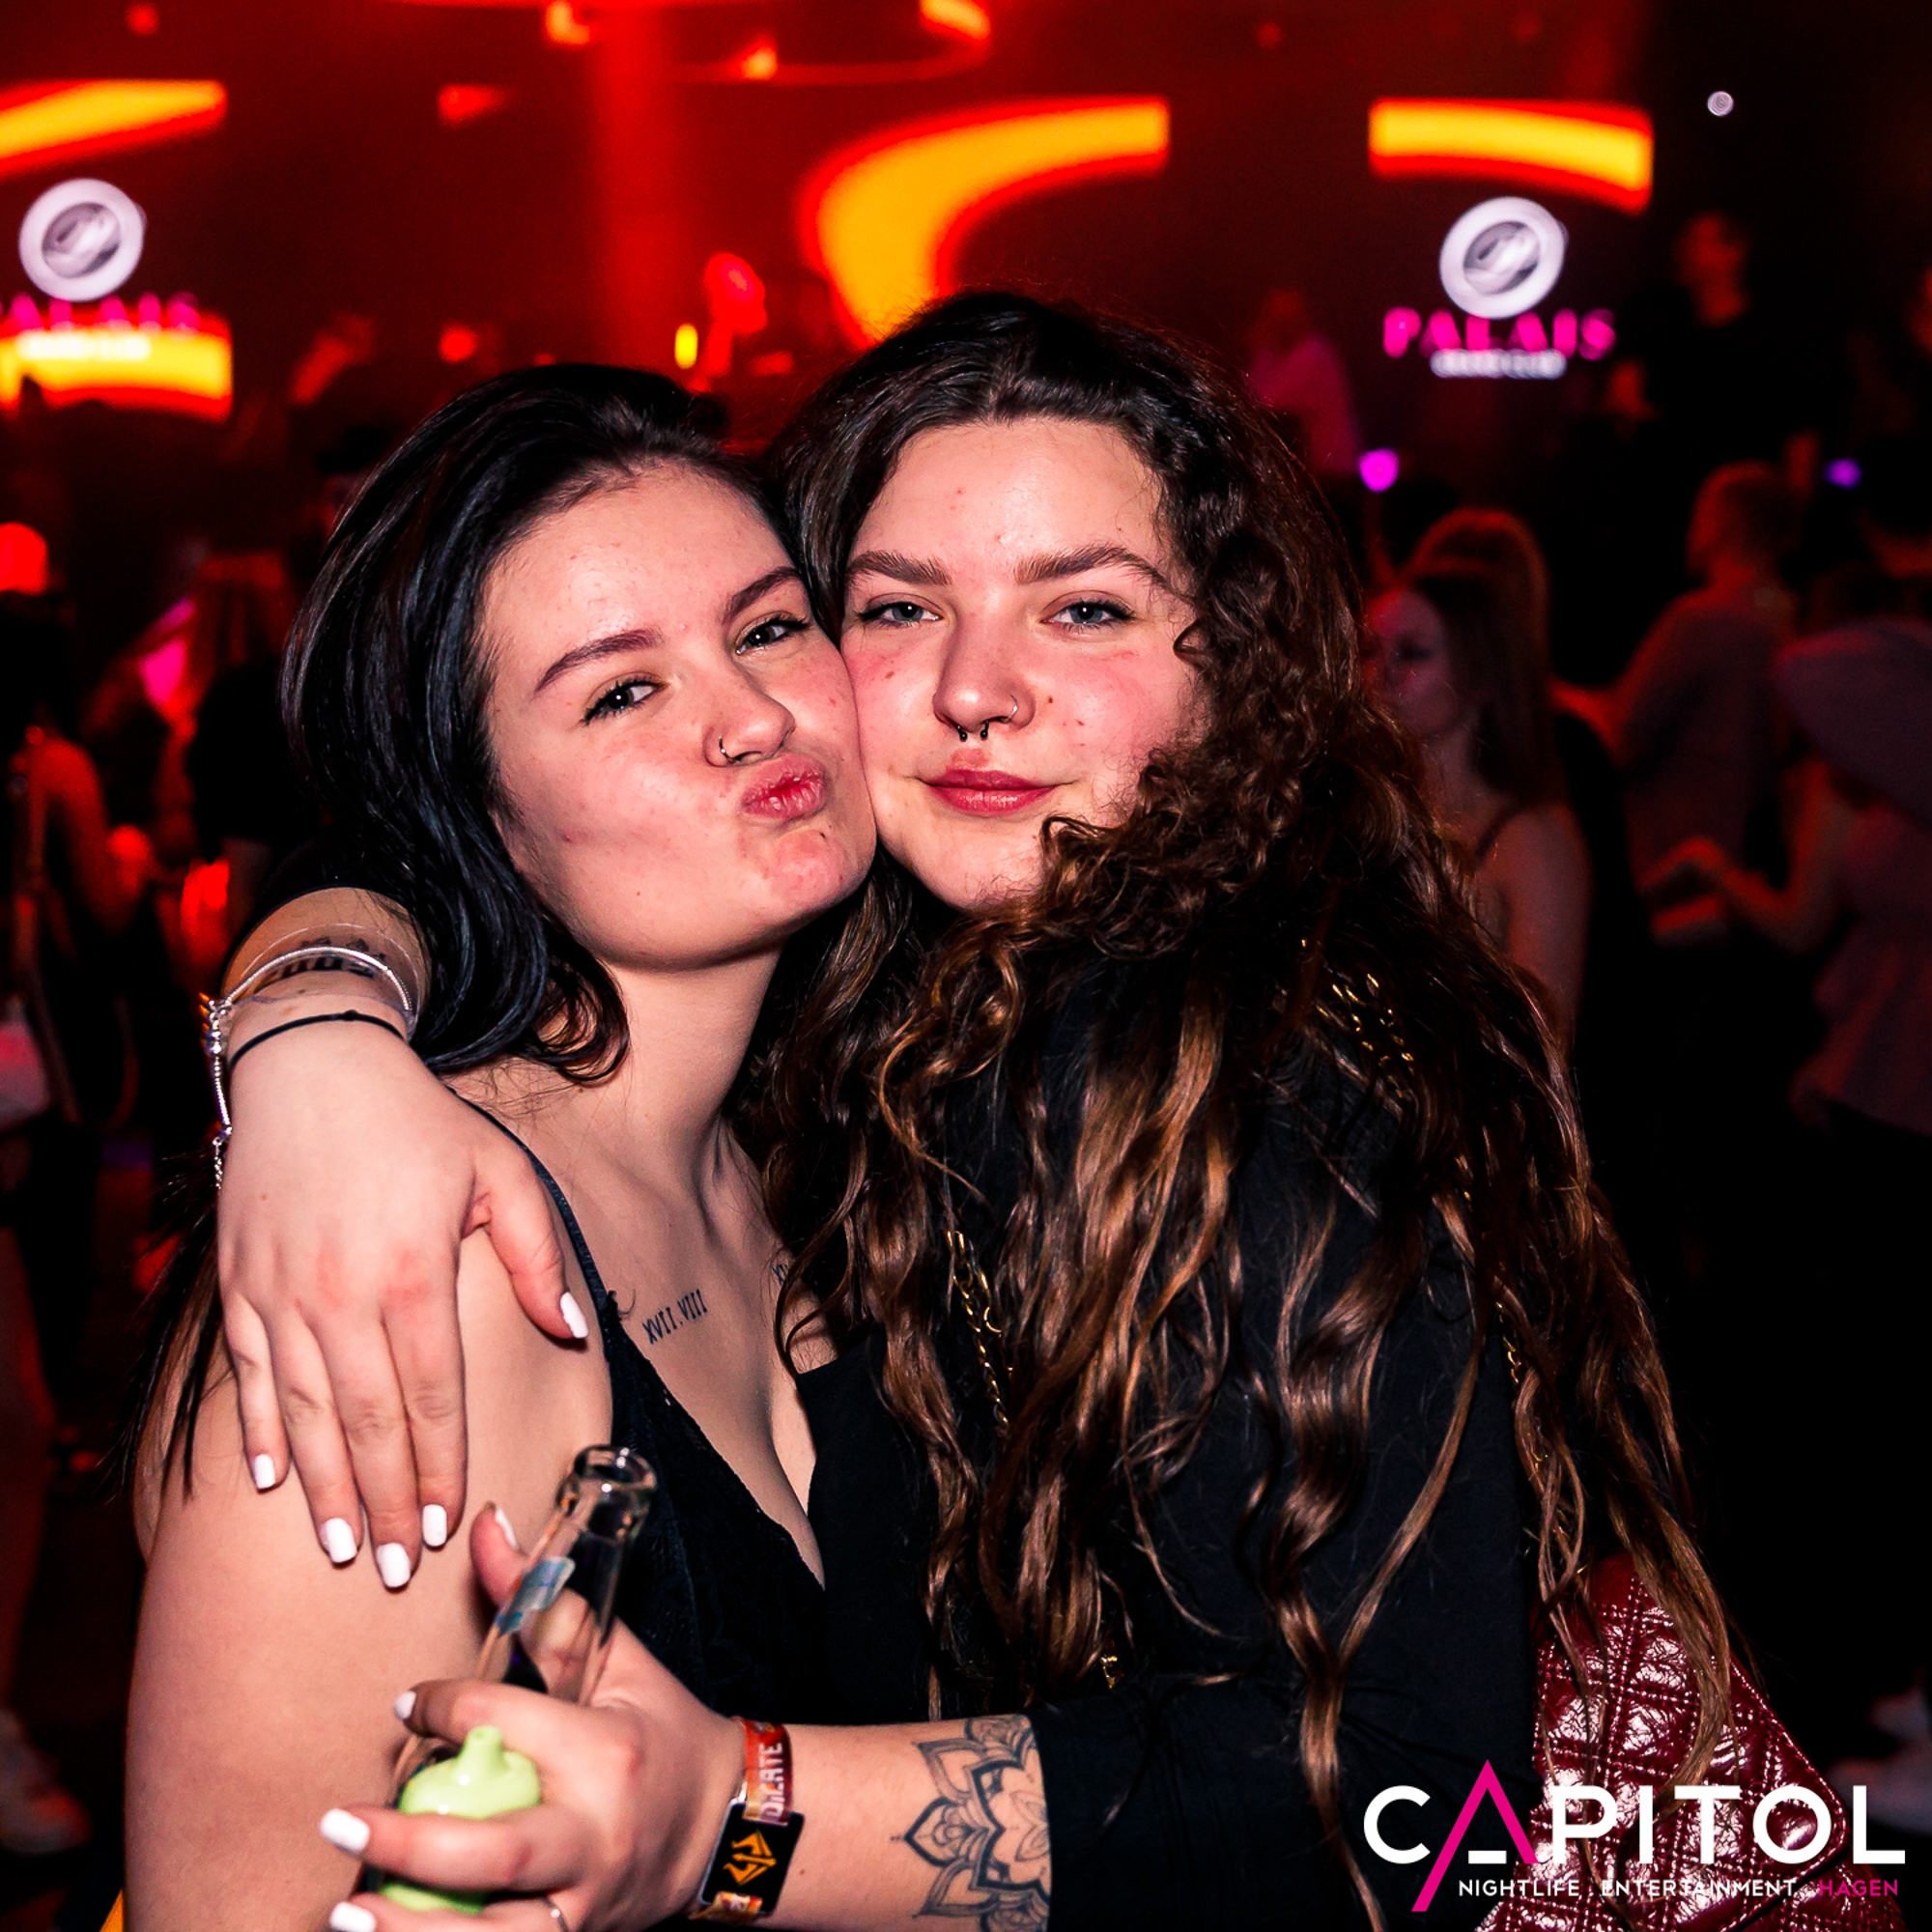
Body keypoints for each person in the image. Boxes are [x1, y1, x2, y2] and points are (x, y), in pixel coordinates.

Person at [200, 298, 1728, 1932]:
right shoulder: (860, 1045)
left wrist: (738, 1819)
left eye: (1086, 608)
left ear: (1237, 663)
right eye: (896, 607)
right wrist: (313, 1022)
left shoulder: (1255, 1082)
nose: (977, 689)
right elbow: (418, 824)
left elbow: (1414, 1801)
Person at [125, 367, 875, 1928]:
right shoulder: (429, 1265)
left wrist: (738, 1847)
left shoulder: (795, 1150)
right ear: (482, 819)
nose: (750, 717)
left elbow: (769, 1820)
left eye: (766, 628)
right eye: (620, 693)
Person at [1362, 561, 1590, 1038]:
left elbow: (1542, 1042)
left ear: (1482, 671)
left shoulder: (1533, 838)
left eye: (1412, 653)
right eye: (1369, 651)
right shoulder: (1371, 812)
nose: (1382, 674)